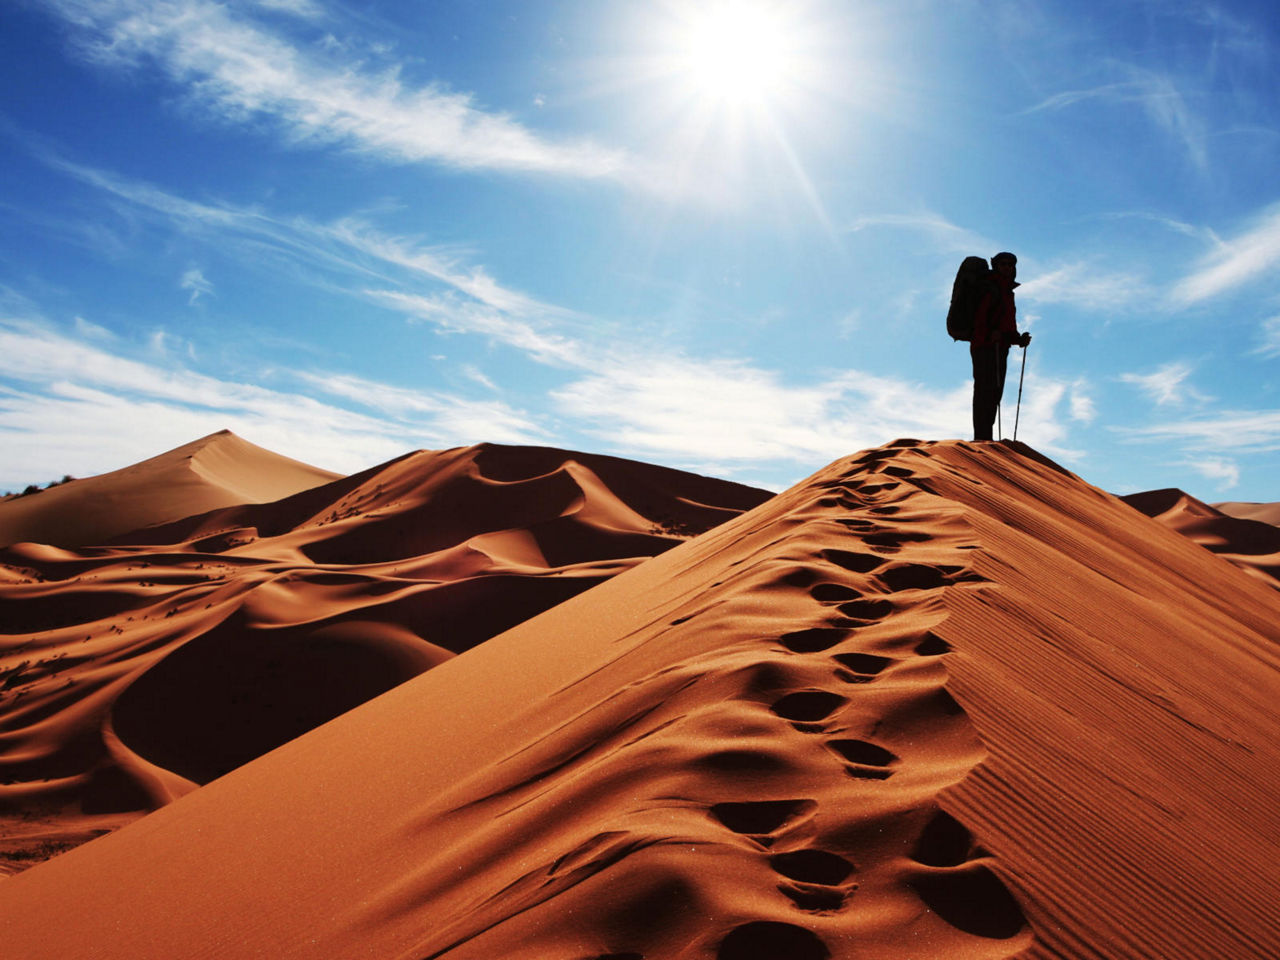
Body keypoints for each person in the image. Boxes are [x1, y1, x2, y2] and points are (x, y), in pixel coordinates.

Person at [970, 251, 1031, 441]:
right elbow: (979, 318)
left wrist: (1018, 339)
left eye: (1010, 264)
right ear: (996, 266)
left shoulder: (1007, 292)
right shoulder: (989, 288)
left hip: (1000, 347)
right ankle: (982, 439)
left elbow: (1006, 325)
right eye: (1003, 264)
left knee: (995, 393)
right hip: (984, 346)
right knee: (985, 393)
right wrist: (990, 334)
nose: (1007, 267)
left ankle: (985, 438)